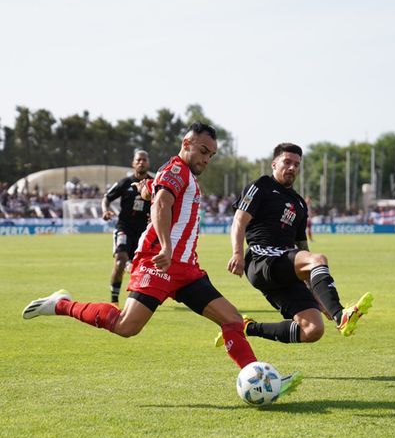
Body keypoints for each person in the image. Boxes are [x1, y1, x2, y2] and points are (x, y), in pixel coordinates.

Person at [22, 123, 301, 395]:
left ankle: (262, 381)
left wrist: (148, 190)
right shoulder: (176, 169)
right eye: (203, 151)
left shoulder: (180, 175)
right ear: (186, 144)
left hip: (186, 270)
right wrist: (166, 246)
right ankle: (60, 304)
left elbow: (157, 195)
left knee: (232, 319)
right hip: (159, 263)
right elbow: (162, 204)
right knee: (126, 326)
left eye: (211, 155)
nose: (206, 159)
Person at [217, 142, 373, 348]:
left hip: (284, 265)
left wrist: (319, 297)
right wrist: (237, 253)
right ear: (274, 164)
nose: (292, 167)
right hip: (261, 259)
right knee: (318, 259)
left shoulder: (299, 203)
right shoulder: (261, 186)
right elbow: (239, 220)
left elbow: (302, 250)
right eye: (287, 162)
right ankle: (340, 315)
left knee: (313, 330)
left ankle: (245, 327)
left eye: (296, 164)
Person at [101, 149, 154, 303]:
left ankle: (143, 300)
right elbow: (106, 198)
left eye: (144, 160)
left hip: (145, 233)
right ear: (133, 163)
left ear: (148, 163)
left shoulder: (154, 184)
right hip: (124, 228)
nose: (141, 162)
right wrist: (105, 210)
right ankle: (114, 302)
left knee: (143, 268)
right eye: (138, 160)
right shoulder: (125, 183)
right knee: (120, 260)